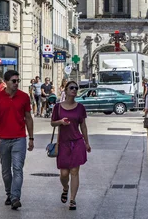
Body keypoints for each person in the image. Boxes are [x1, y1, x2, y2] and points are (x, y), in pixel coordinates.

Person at [0, 70, 34, 210]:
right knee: (6, 171)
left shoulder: (24, 97)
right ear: (6, 82)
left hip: (19, 138)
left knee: (17, 169)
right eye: (13, 81)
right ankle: (9, 193)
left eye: (17, 81)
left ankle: (15, 197)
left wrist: (31, 137)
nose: (16, 84)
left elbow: (28, 118)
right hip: (2, 139)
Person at [51, 80, 91, 211]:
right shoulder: (58, 107)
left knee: (74, 171)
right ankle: (65, 188)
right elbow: (52, 123)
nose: (74, 90)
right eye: (71, 88)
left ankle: (72, 200)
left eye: (76, 88)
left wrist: (87, 142)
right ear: (66, 90)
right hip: (63, 143)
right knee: (63, 173)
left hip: (77, 142)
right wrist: (60, 122)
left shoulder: (80, 108)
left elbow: (83, 126)